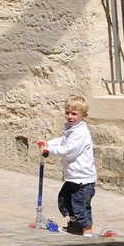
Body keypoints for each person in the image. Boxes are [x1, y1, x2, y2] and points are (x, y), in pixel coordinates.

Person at [38, 94, 97, 235]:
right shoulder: (72, 130)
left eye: (74, 114)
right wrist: (48, 143)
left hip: (83, 180)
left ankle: (87, 232)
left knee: (81, 207)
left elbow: (68, 151)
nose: (70, 116)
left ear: (84, 115)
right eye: (67, 113)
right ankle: (75, 226)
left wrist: (49, 149)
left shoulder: (81, 132)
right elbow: (63, 141)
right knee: (64, 199)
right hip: (73, 177)